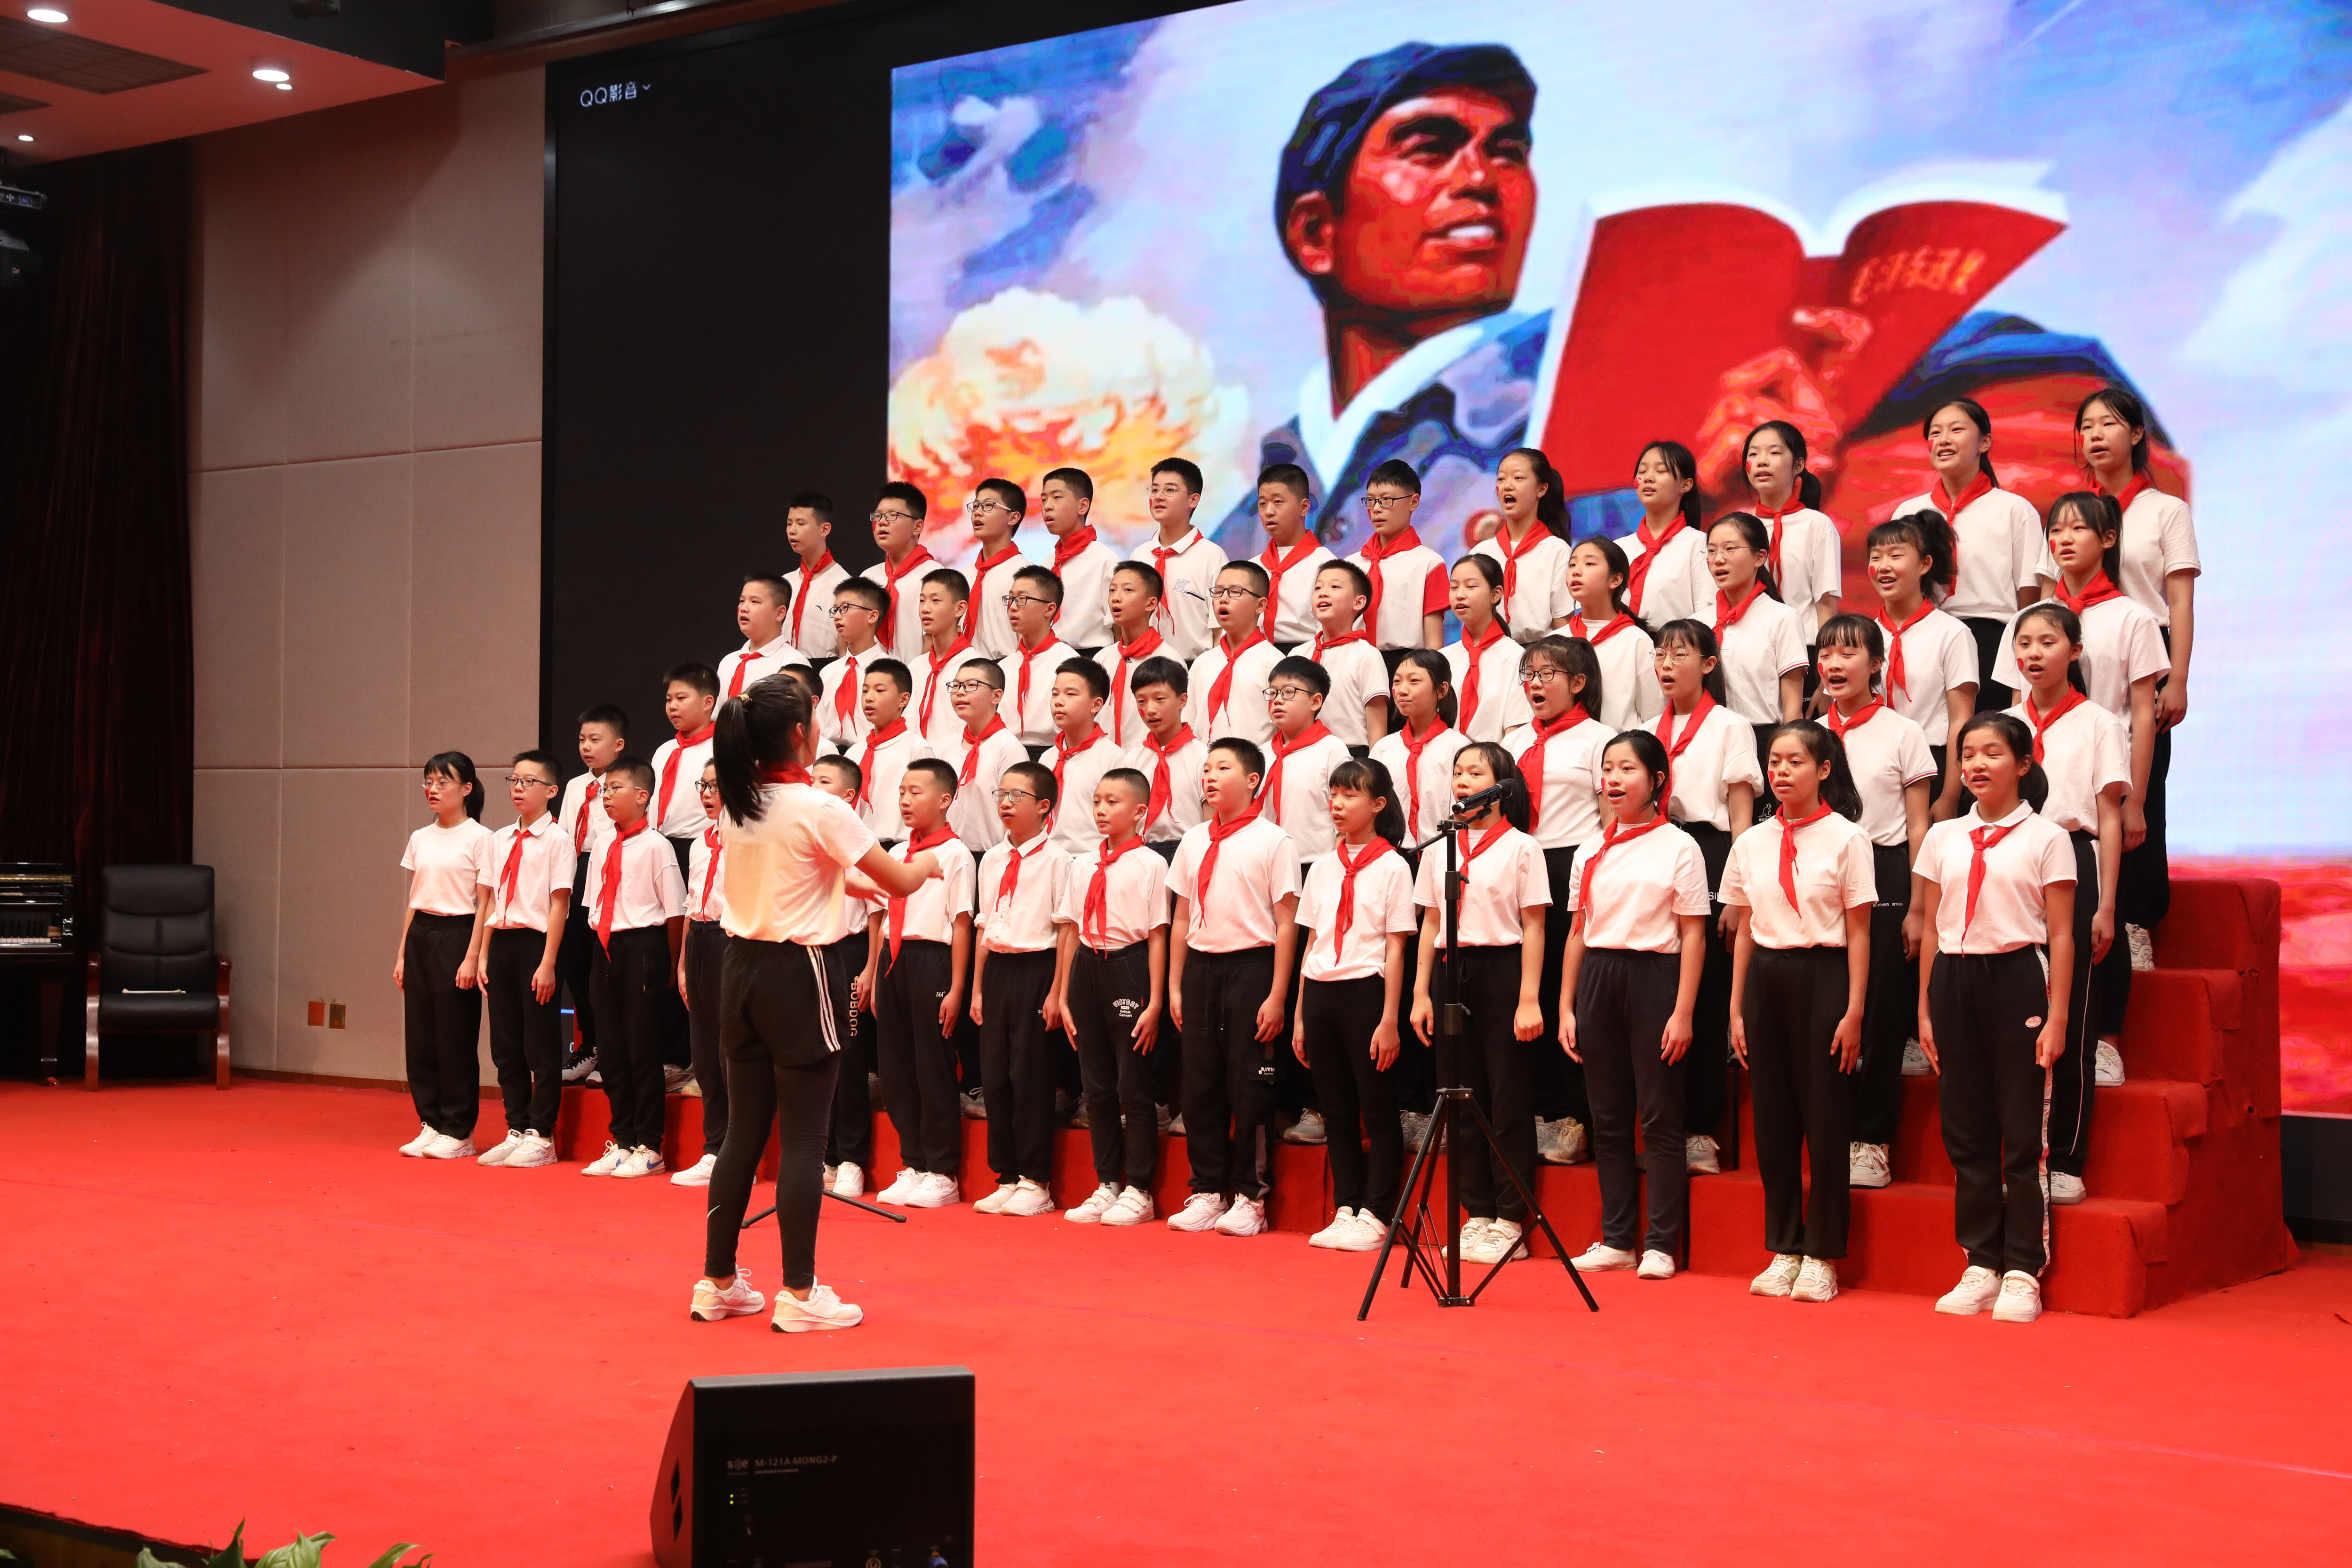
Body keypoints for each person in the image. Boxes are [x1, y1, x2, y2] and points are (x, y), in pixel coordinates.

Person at [692, 675, 945, 1331]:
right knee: (806, 1137)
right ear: (801, 733)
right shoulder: (820, 806)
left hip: (739, 969)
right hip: (800, 972)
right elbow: (900, 880)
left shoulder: (740, 802)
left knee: (743, 1134)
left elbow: (808, 869)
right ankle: (800, 1294)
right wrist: (931, 864)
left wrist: (855, 884)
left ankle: (717, 1282)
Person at [1224, 43, 1542, 559]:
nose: (1480, 178)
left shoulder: (1589, 399)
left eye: (1507, 152)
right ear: (1315, 234)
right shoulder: (1237, 540)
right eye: (1428, 150)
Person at [1914, 712, 2076, 1325]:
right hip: (1953, 982)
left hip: (2017, 980)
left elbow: (2061, 935)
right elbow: (1932, 928)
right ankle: (1980, 1262)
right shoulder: (1943, 837)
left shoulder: (2048, 838)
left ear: (2023, 764)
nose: (1976, 764)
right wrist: (1925, 1007)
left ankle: (2022, 1270)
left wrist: (2058, 1017)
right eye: (1968, 754)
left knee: (2021, 1134)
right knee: (1966, 1132)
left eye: (1992, 753)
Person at [1992, 497, 2166, 1072]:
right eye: (2056, 530)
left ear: (2108, 539)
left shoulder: (2132, 617)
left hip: (2099, 775)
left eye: (2078, 529)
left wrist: (2135, 798)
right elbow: (2015, 707)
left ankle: (2106, 1039)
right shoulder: (2029, 620)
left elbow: (2141, 713)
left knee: (2097, 925)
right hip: (2036, 794)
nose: (2063, 540)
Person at [1723, 723, 1875, 1304]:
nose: (1780, 772)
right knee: (1773, 1121)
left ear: (1823, 769)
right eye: (1774, 762)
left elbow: (1859, 931)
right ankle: (1784, 1247)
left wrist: (1854, 1010)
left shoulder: (1847, 839)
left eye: (1794, 761)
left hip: (1824, 974)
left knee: (1825, 1119)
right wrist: (1736, 1007)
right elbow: (1743, 929)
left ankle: (1821, 1255)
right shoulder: (1750, 842)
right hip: (1765, 976)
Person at [1558, 732, 1709, 1278]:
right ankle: (1618, 1239)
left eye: (1627, 769)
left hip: (1655, 977)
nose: (1614, 779)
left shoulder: (1679, 847)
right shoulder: (1587, 849)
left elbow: (1693, 934)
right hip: (1598, 977)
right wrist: (1566, 1007)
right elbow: (1576, 933)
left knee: (1660, 1117)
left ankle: (1661, 1245)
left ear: (1656, 781)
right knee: (1607, 1119)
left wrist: (1682, 1012)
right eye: (1608, 769)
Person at [2062, 387, 2197, 973]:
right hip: (2077, 645)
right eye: (2086, 426)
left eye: (2108, 424)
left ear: (2137, 434)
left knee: (2140, 788)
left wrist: (2178, 678)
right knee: (2071, 781)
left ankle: (2135, 921)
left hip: (2144, 650)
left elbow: (2179, 599)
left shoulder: (2164, 511)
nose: (2094, 436)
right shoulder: (2072, 511)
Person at [2006, 602, 2130, 1204]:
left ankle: (2065, 1158)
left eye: (2047, 642)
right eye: (2023, 642)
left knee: (2072, 1014)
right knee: (2014, 1011)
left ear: (2074, 651)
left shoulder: (2099, 722)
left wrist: (2105, 906)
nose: (2033, 653)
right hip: (2010, 858)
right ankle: (2015, 1153)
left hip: (2073, 859)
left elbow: (2108, 816)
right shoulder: (2002, 723)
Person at [1408, 743, 1549, 1266]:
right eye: (1458, 772)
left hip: (1502, 970)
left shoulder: (1521, 848)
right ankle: (1478, 1214)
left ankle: (1510, 1220)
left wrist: (1529, 998)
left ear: (1501, 787)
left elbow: (1534, 925)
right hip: (1451, 971)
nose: (1463, 781)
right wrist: (1420, 993)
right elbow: (1430, 922)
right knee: (1460, 1097)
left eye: (1475, 773)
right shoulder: (1440, 848)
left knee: (1507, 1100)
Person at [1814, 615, 1936, 1192]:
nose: (1833, 664)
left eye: (1847, 653)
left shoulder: (1902, 733)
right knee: (1826, 1007)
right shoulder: (1808, 733)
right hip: (1818, 873)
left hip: (1884, 868)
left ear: (1876, 665)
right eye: (1825, 654)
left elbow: (1918, 826)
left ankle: (1871, 1141)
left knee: (1882, 1011)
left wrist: (1918, 906)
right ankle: (1828, 1133)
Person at [1166, 738, 1303, 1236]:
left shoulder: (1274, 841)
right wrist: (1175, 985)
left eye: (1222, 767)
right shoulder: (1192, 840)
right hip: (1200, 968)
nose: (1209, 776)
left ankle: (1250, 1196)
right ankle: (1207, 1189)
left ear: (1252, 780)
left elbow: (1286, 922)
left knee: (1250, 1086)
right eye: (1205, 768)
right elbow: (1182, 917)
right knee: (1199, 1084)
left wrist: (1278, 994)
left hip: (1252, 967)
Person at [1650, 620, 1763, 1176]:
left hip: (1712, 851)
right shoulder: (1645, 729)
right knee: (1658, 989)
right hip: (1655, 851)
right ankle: (1659, 1125)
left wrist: (1737, 895)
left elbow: (1741, 818)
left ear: (1708, 664)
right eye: (1660, 654)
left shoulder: (1730, 726)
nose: (1666, 664)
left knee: (1707, 993)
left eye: (1679, 654)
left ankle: (1700, 1131)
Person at [1294, 758, 1416, 1250]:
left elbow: (1396, 948)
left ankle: (1376, 1213)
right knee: (1336, 1110)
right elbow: (1311, 942)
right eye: (1334, 794)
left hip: (1367, 991)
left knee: (1378, 1110)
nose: (1337, 804)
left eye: (1350, 795)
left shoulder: (1393, 866)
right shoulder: (1323, 867)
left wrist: (1389, 1020)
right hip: (1321, 990)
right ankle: (1345, 1205)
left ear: (1378, 804)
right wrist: (1300, 1015)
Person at [1504, 636, 1611, 1166]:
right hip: (1519, 863)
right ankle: (1536, 1111)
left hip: (1573, 863)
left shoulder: (1600, 740)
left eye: (1547, 674)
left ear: (1578, 682)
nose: (1535, 684)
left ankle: (1575, 1118)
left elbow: (1611, 821)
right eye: (1529, 674)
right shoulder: (1513, 739)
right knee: (1526, 993)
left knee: (1568, 994)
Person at [1048, 769, 1171, 1226]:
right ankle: (1107, 1183)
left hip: (1129, 967)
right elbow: (1069, 931)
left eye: (1112, 802)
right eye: (1097, 801)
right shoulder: (1082, 864)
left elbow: (1157, 935)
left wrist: (1155, 1002)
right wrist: (1063, 993)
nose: (1101, 809)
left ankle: (1139, 1188)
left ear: (1139, 811)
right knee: (1095, 1087)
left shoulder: (1151, 864)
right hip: (1086, 967)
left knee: (1131, 1086)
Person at [866, 758, 977, 1210]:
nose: (906, 800)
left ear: (945, 799)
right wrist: (873, 972)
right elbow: (879, 919)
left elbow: (962, 924)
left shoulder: (956, 854)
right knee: (895, 1069)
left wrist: (956, 987)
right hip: (892, 960)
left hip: (932, 960)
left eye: (916, 792)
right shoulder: (895, 854)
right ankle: (913, 1162)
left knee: (933, 1067)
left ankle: (942, 1170)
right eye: (902, 792)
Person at [1890, 400, 2042, 707]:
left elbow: (2030, 594)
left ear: (1985, 442)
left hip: (1991, 644)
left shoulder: (2014, 510)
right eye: (1935, 433)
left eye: (1956, 430)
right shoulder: (1908, 512)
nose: (1943, 440)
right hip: (1923, 640)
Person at [969, 761, 1072, 1217]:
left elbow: (1065, 930)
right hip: (997, 970)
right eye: (1001, 795)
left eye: (1017, 796)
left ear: (1044, 806)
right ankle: (1006, 1175)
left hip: (1037, 969)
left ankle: (1035, 1180)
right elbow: (984, 924)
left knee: (1029, 1077)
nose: (1006, 803)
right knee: (994, 1078)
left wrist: (1057, 991)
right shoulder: (992, 859)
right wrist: (976, 988)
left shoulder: (1058, 860)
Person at [579, 756, 685, 1180]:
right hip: (605, 946)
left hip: (643, 946)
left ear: (642, 796)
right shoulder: (603, 842)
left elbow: (675, 912)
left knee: (643, 1050)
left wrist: (672, 965)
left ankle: (650, 1145)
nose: (606, 795)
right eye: (605, 789)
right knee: (612, 1050)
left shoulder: (657, 846)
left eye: (615, 788)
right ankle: (622, 1140)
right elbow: (593, 902)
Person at [473, 752, 572, 1170]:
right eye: (514, 780)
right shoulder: (498, 839)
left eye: (529, 781)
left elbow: (559, 904)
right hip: (502, 943)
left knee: (540, 1044)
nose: (518, 787)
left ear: (551, 791)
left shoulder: (558, 840)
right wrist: (482, 953)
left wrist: (548, 962)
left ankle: (541, 1134)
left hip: (536, 944)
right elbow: (490, 901)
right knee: (506, 1044)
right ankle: (516, 1127)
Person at [395, 751, 492, 1160]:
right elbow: (415, 898)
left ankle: (458, 1129)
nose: (432, 789)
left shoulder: (480, 837)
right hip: (421, 934)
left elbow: (486, 904)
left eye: (442, 782)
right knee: (420, 1038)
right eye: (428, 782)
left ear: (466, 788)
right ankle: (431, 1123)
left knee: (455, 1036)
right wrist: (402, 953)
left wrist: (472, 956)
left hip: (459, 934)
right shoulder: (420, 837)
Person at [1865, 510, 1978, 819]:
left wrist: (1950, 797)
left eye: (1896, 556)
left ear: (1925, 564)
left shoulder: (1952, 634)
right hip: (1872, 765)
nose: (1883, 566)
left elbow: (1961, 721)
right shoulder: (1864, 636)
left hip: (1932, 764)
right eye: (1876, 557)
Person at [808, 756, 884, 1197]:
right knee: (819, 1060)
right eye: (811, 779)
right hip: (815, 951)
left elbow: (876, 912)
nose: (813, 786)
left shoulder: (861, 843)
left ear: (849, 795)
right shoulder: (807, 839)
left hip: (852, 953)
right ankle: (827, 1155)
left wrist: (870, 967)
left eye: (824, 781)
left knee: (851, 1063)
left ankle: (852, 1158)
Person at [556, 705, 627, 1082]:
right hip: (577, 869)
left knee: (605, 969)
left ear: (618, 744)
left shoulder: (625, 782)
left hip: (611, 869)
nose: (586, 746)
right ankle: (590, 1046)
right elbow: (566, 836)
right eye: (582, 739)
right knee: (576, 963)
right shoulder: (574, 786)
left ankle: (613, 1054)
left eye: (595, 739)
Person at [671, 761, 731, 1188]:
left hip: (734, 941)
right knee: (705, 1055)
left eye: (716, 786)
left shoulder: (750, 838)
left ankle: (736, 1153)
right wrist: (682, 962)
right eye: (703, 786)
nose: (707, 794)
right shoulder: (698, 843)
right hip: (700, 942)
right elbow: (693, 904)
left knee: (732, 1054)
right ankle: (714, 1148)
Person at [1704, 512, 1806, 748]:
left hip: (1764, 741)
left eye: (1729, 549)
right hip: (1710, 740)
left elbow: (1793, 711)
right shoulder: (1698, 622)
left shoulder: (1782, 618)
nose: (1718, 559)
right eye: (1711, 551)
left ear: (1760, 557)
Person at [1741, 421, 1843, 644]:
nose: (1762, 461)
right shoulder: (1739, 526)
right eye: (1753, 454)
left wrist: (1824, 658)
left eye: (1775, 453)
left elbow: (1826, 605)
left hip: (1805, 647)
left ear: (1798, 465)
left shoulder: (1817, 525)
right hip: (1751, 648)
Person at [1346, 458, 1448, 664]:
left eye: (1386, 500)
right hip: (1355, 664)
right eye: (1371, 500)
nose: (1376, 509)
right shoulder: (1352, 565)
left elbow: (1434, 642)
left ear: (1414, 502)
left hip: (1406, 666)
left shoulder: (1428, 563)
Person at [1473, 448, 1573, 644]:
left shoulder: (1557, 551)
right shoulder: (1480, 553)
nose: (1507, 486)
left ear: (1542, 489)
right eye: (1501, 479)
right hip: (1489, 652)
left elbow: (1563, 625)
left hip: (1540, 654)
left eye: (1518, 478)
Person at [1262, 656, 1354, 865]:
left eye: (1288, 692)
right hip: (1269, 863)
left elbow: (1345, 812)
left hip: (1316, 863)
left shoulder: (1332, 749)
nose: (1277, 700)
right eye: (1273, 693)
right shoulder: (1263, 753)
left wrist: (1336, 863)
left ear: (1316, 702)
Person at [1369, 650, 1468, 845]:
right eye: (1397, 682)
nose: (1402, 690)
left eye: (1414, 681)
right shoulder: (1384, 748)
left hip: (1443, 851)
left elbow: (1462, 812)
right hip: (1391, 852)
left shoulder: (1458, 747)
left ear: (1442, 690)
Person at [1566, 537, 1661, 732]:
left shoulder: (1636, 640)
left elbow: (1654, 715)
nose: (1576, 571)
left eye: (1589, 564)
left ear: (1615, 580)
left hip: (1621, 747)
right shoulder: (1557, 640)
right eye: (1573, 565)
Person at [1617, 440, 1711, 631]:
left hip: (1676, 647)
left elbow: (1706, 615)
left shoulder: (1700, 544)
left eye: (1661, 471)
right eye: (1642, 472)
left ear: (1686, 485)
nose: (1648, 478)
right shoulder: (1617, 549)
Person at [1185, 561, 1280, 748]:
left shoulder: (1273, 662)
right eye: (1218, 592)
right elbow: (1189, 722)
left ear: (1260, 605)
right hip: (1205, 762)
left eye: (1235, 592)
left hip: (1256, 762)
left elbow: (1282, 728)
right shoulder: (1203, 662)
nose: (1223, 599)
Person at [1144, 457, 1228, 663]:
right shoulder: (1140, 555)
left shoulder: (1212, 557)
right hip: (1144, 665)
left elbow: (1221, 627)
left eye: (1170, 490)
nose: (1159, 497)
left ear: (1193, 500)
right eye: (1154, 490)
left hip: (1194, 666)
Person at [1442, 554, 1531, 742]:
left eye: (1471, 586)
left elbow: (1516, 730)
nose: (1460, 595)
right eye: (1454, 587)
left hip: (1496, 757)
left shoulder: (1516, 657)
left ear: (1496, 594)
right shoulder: (1444, 658)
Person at [1121, 656, 1206, 850]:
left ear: (1182, 700)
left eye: (1160, 699)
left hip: (1189, 849)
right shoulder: (1133, 760)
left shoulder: (1202, 757)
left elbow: (1211, 822)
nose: (1150, 709)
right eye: (1142, 701)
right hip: (1142, 850)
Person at [846, 658, 934, 840]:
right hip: (859, 846)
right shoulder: (855, 752)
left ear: (903, 699)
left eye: (879, 691)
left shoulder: (916, 748)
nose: (869, 698)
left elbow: (928, 809)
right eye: (865, 691)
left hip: (900, 846)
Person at [944, 659, 1023, 854]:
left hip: (993, 855)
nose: (960, 692)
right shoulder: (947, 747)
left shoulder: (1008, 747)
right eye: (956, 686)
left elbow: (1018, 810)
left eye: (971, 685)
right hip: (949, 853)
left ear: (996, 696)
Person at [1307, 560, 1389, 748]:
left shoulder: (1367, 655)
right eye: (1318, 588)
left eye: (1335, 587)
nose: (1323, 593)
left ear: (1358, 602)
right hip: (1306, 752)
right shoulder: (1299, 654)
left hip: (1352, 755)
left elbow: (1377, 729)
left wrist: (1373, 763)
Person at [1254, 463, 1336, 647]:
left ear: (1304, 507)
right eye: (1262, 504)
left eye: (1278, 502)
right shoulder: (1253, 567)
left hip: (1307, 653)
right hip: (1258, 654)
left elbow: (1331, 631)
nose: (1269, 512)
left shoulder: (1326, 564)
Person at [1001, 566, 1084, 749]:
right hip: (1007, 752)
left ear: (1049, 609)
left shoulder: (1068, 662)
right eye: (1011, 599)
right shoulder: (1004, 666)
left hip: (1052, 751)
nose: (1013, 607)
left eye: (1022, 599)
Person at [651, 664, 721, 873]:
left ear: (708, 702)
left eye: (681, 698)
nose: (673, 706)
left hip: (702, 845)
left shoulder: (722, 746)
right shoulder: (664, 750)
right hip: (659, 845)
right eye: (669, 700)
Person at [1045, 659, 1117, 858]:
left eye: (1070, 694)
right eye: (1055, 694)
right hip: (1051, 857)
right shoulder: (1047, 758)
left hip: (1093, 857)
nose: (1059, 702)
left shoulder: (1113, 758)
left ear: (1096, 705)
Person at [1041, 467, 1116, 652]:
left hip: (1091, 657)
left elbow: (1118, 626)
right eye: (1044, 499)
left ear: (1082, 506)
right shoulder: (1047, 565)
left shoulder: (1104, 560)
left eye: (1057, 497)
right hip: (1051, 657)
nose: (1047, 506)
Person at [862, 481, 938, 663]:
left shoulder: (935, 576)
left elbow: (935, 638)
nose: (882, 522)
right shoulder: (868, 578)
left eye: (893, 515)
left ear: (917, 527)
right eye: (878, 516)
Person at [1095, 561, 1168, 749]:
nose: (1116, 598)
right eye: (1112, 590)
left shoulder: (1167, 660)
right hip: (1105, 759)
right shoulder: (1102, 659)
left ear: (1151, 604)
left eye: (1128, 590)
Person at [965, 478, 1035, 661]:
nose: (978, 513)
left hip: (1008, 667)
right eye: (975, 506)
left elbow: (1029, 639)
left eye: (988, 506)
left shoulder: (1026, 575)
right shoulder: (964, 575)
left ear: (1013, 518)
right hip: (965, 670)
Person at [817, 580, 890, 753]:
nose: (837, 616)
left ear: (872, 616)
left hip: (872, 754)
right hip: (830, 757)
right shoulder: (828, 672)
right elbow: (819, 725)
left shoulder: (890, 671)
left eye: (845, 608)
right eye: (835, 610)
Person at [911, 567, 979, 749]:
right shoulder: (916, 666)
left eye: (935, 601)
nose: (926, 609)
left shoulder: (975, 668)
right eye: (922, 601)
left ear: (960, 608)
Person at [717, 573, 810, 702]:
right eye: (742, 601)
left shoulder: (792, 664)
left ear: (780, 613)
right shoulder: (728, 662)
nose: (744, 608)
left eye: (755, 602)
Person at [782, 492, 852, 662]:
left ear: (824, 529)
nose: (792, 530)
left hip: (825, 668)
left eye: (801, 523)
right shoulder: (785, 583)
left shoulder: (845, 586)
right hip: (783, 669)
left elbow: (847, 649)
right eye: (789, 523)